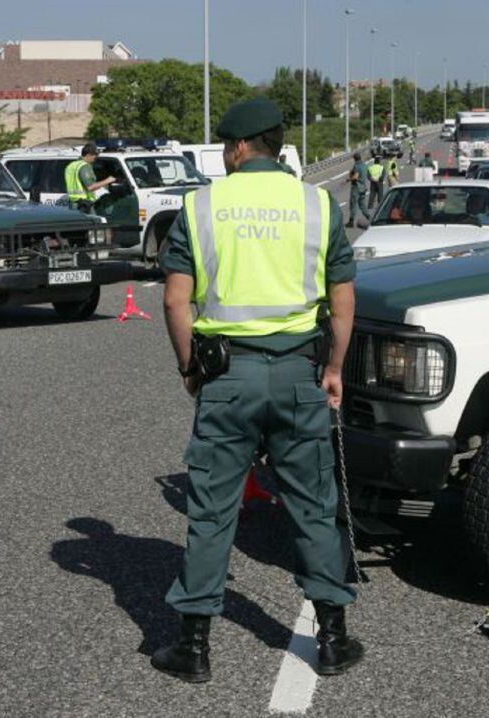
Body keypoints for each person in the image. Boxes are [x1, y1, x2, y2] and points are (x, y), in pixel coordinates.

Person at [157, 97, 363, 684]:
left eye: (226, 146)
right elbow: (343, 300)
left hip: (228, 377)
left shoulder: (201, 206)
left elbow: (176, 300)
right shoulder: (318, 205)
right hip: (300, 372)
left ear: (241, 147)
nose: (224, 156)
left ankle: (193, 648)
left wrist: (189, 368)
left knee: (213, 511)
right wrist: (335, 369)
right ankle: (332, 640)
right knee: (312, 507)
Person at [64, 143, 116, 213]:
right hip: (84, 205)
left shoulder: (71, 165)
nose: (95, 159)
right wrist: (108, 180)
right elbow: (90, 187)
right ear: (88, 155)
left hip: (73, 203)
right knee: (94, 223)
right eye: (95, 157)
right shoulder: (84, 166)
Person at [346, 152, 370, 228]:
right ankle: (370, 218)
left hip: (356, 187)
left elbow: (356, 176)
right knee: (362, 204)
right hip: (363, 187)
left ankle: (351, 221)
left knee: (353, 204)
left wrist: (349, 179)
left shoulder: (356, 166)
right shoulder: (364, 165)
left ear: (354, 159)